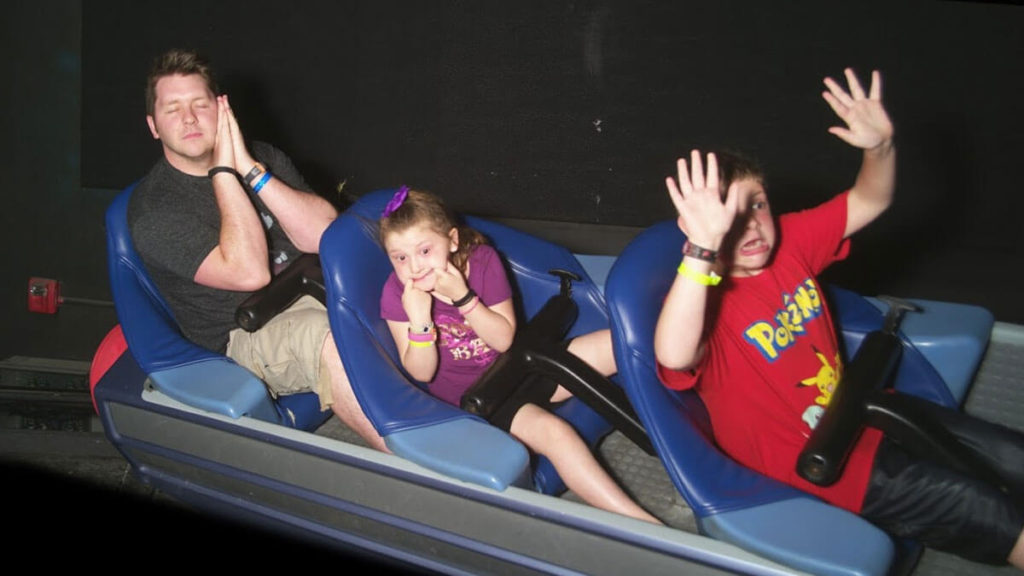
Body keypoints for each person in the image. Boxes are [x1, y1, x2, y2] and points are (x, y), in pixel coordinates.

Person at [653, 67, 1024, 567]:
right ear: (700, 229)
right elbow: (673, 353)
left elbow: (870, 199)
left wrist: (880, 148)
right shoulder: (702, 296)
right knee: (993, 516)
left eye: (757, 205)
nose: (752, 227)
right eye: (729, 218)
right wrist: (702, 249)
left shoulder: (787, 241)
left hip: (865, 408)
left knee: (1012, 454)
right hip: (819, 463)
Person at [128, 48, 386, 452]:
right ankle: (419, 473)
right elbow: (250, 274)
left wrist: (250, 169)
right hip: (243, 333)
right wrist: (224, 173)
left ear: (221, 107)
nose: (190, 118)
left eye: (200, 103)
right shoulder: (154, 212)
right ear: (153, 126)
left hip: (311, 288)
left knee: (403, 294)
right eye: (172, 109)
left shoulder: (263, 157)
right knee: (331, 338)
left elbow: (323, 236)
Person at [378, 186, 660, 524]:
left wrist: (463, 298)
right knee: (557, 435)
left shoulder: (482, 261)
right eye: (400, 258)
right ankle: (644, 526)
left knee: (623, 344)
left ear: (451, 241)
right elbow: (421, 373)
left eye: (425, 250)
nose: (414, 267)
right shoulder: (397, 295)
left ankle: (697, 428)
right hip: (482, 398)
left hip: (521, 362)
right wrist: (420, 320)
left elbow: (502, 338)